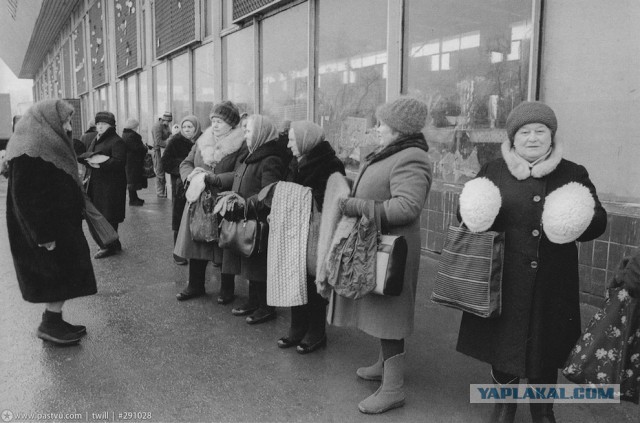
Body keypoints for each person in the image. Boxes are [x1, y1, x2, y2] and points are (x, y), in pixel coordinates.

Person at [455, 101, 607, 423]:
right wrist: (474, 208)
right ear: (513, 138)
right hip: (504, 278)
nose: (533, 138)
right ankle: (504, 410)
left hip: (552, 282)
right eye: (525, 132)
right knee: (503, 348)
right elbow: (467, 216)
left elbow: (599, 222)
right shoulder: (494, 170)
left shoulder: (573, 173)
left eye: (541, 131)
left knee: (544, 352)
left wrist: (579, 217)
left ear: (551, 136)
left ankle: (543, 412)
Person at [330, 97, 432, 414]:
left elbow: (406, 207)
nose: (377, 129)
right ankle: (383, 365)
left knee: (391, 316)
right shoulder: (394, 153)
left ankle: (393, 388)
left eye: (381, 124)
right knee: (380, 309)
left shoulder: (412, 157)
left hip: (395, 248)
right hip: (380, 242)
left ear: (398, 129)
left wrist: (356, 205)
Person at [4, 99, 97, 346]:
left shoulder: (44, 140)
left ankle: (54, 319)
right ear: (48, 120)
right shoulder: (31, 147)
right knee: (56, 275)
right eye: (65, 120)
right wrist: (43, 235)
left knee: (61, 275)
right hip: (47, 228)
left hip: (58, 223)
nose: (68, 126)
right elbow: (25, 196)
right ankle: (50, 325)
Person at [276, 121, 345, 353]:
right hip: (295, 227)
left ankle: (316, 331)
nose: (289, 144)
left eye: (293, 140)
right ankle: (297, 327)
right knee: (296, 275)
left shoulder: (331, 164)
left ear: (306, 140)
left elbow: (332, 198)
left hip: (317, 230)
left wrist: (295, 195)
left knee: (313, 277)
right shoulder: (296, 161)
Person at [173, 102, 247, 302]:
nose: (215, 125)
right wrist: (190, 176)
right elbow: (186, 163)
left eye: (220, 121)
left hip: (223, 199)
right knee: (196, 243)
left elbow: (240, 173)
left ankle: (226, 289)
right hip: (199, 199)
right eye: (213, 120)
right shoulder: (202, 140)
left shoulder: (241, 144)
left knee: (224, 244)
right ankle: (194, 285)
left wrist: (216, 179)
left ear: (231, 124)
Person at [223, 114, 291, 324]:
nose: (245, 133)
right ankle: (253, 302)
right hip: (247, 218)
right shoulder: (251, 154)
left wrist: (245, 203)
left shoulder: (270, 159)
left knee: (259, 266)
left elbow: (269, 193)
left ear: (261, 132)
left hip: (260, 221)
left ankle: (266, 307)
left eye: (249, 130)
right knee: (249, 262)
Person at [79, 111, 127, 259]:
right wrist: (89, 159)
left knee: (109, 215)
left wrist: (101, 161)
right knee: (102, 214)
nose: (99, 127)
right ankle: (113, 243)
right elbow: (89, 154)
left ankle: (108, 246)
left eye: (103, 124)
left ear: (111, 126)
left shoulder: (116, 141)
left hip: (111, 186)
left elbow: (119, 163)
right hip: (97, 184)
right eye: (98, 124)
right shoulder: (97, 138)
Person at [162, 115, 203, 266]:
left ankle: (199, 250)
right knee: (179, 216)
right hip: (181, 184)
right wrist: (183, 169)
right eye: (184, 127)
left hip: (199, 183)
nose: (186, 130)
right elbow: (165, 163)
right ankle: (178, 252)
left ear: (196, 128)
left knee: (199, 214)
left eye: (190, 127)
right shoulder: (175, 141)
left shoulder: (203, 140)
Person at [121, 118, 147, 206]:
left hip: (129, 161)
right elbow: (137, 148)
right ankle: (133, 200)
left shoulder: (125, 134)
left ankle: (135, 198)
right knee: (132, 180)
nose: (137, 128)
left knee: (132, 180)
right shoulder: (132, 136)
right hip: (134, 161)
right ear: (133, 127)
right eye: (136, 126)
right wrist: (145, 148)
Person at [151, 112, 172, 198]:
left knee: (163, 170)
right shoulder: (157, 126)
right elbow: (158, 141)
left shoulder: (165, 126)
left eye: (169, 121)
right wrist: (169, 142)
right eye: (166, 120)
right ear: (162, 119)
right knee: (160, 171)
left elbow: (170, 134)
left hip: (164, 150)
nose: (168, 123)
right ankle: (160, 192)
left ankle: (163, 191)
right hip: (158, 151)